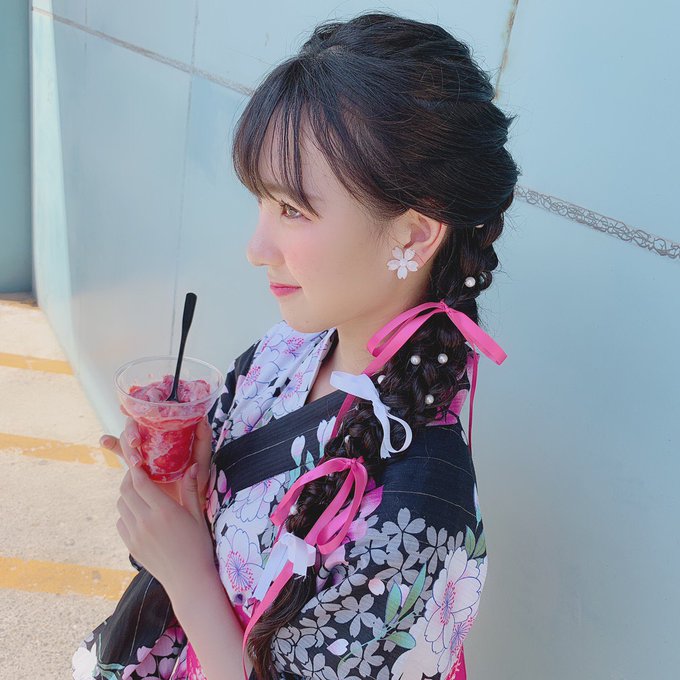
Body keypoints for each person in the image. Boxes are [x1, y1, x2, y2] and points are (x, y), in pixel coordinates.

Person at [71, 10, 520, 680]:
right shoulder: (282, 354)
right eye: (261, 202)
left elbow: (206, 584)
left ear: (414, 234)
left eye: (293, 210)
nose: (256, 249)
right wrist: (178, 489)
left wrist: (187, 574)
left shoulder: (422, 510)